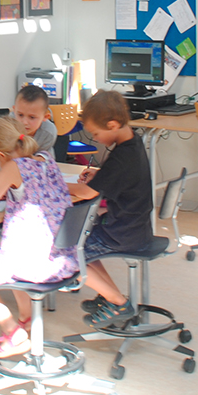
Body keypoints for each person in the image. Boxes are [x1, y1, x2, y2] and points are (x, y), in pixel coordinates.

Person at [0, 116, 78, 358]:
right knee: (9, 259)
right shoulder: (46, 158)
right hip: (63, 256)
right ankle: (25, 319)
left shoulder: (12, 168)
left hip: (34, 263)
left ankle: (13, 331)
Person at [68, 90, 153, 328]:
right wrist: (100, 174)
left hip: (123, 234)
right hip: (134, 227)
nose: (95, 139)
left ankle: (117, 302)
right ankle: (108, 294)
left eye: (96, 133)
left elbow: (86, 193)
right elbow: (121, 176)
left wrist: (52, 184)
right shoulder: (132, 143)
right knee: (80, 242)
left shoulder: (121, 158)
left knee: (70, 255)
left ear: (113, 125)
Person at [13, 84, 56, 161]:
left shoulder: (48, 132)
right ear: (14, 110)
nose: (24, 122)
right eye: (20, 115)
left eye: (32, 117)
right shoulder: (7, 125)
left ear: (45, 117)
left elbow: (44, 159)